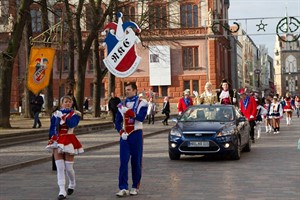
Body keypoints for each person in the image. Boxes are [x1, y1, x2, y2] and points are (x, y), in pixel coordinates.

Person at [46, 95, 84, 200]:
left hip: (69, 140)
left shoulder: (76, 114)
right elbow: (52, 128)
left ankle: (72, 183)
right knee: (60, 167)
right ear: (61, 103)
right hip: (58, 141)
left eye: (69, 101)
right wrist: (53, 138)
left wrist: (63, 118)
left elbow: (72, 124)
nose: (67, 103)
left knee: (69, 168)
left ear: (72, 103)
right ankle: (62, 190)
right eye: (65, 101)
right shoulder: (56, 114)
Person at [114, 82, 148, 197]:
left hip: (136, 134)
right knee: (123, 161)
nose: (127, 91)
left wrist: (129, 112)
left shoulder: (142, 103)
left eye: (129, 89)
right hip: (124, 136)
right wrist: (120, 131)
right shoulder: (121, 104)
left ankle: (135, 186)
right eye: (126, 89)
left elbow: (141, 118)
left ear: (135, 90)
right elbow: (117, 121)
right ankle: (123, 187)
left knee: (136, 162)